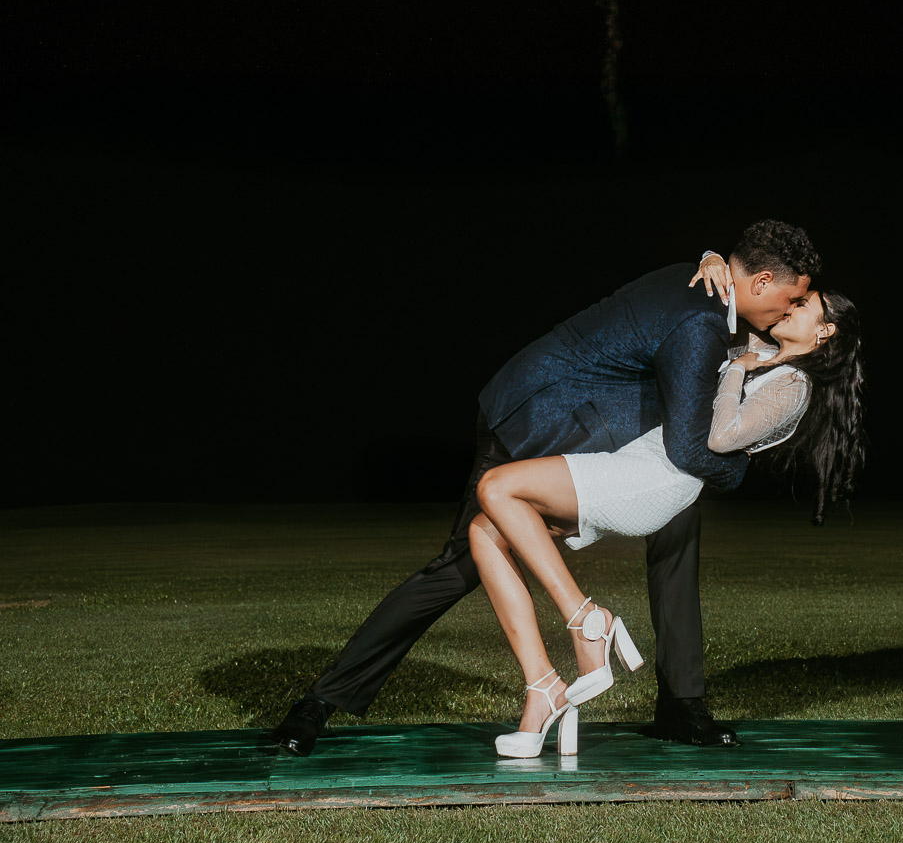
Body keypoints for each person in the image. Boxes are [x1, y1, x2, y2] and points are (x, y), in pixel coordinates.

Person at [266, 220, 819, 756]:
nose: (788, 311)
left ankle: (682, 700)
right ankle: (320, 702)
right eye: (791, 300)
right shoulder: (701, 315)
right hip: (542, 418)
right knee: (461, 563)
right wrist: (737, 472)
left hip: (576, 415)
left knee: (678, 525)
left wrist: (711, 255)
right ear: (762, 281)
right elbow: (691, 448)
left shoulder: (700, 278)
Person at [472, 277, 865, 757]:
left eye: (804, 305)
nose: (791, 306)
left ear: (824, 333)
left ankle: (587, 620)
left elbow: (721, 438)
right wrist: (709, 259)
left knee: (496, 486)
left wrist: (737, 371)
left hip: (658, 479)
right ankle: (542, 687)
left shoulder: (793, 386)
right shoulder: (759, 350)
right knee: (486, 529)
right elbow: (713, 313)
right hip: (643, 457)